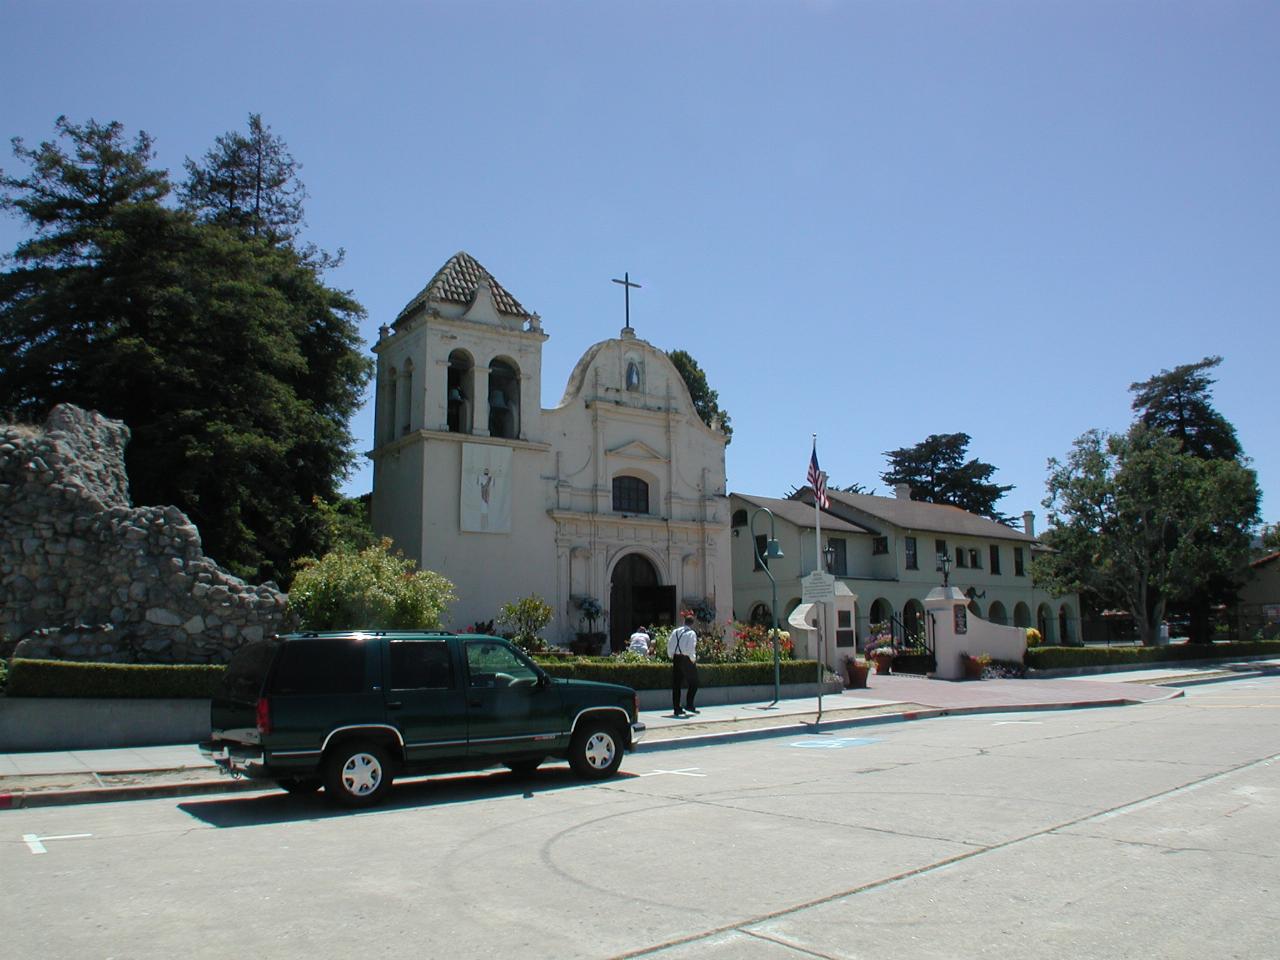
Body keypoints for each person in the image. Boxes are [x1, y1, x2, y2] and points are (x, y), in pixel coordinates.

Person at [667, 615, 699, 716]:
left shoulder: (675, 631)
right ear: (692, 623)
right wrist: (693, 659)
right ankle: (689, 704)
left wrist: (671, 655)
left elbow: (670, 644)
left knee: (676, 685)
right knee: (694, 682)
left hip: (676, 658)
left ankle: (677, 708)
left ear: (684, 621)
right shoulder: (691, 633)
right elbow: (691, 648)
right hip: (686, 659)